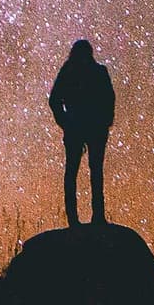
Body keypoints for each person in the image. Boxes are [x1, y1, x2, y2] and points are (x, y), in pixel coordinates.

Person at [48, 39, 115, 227]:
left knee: (76, 173)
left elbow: (54, 100)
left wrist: (66, 123)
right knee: (90, 173)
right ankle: (93, 218)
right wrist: (67, 124)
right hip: (87, 128)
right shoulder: (95, 72)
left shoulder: (70, 72)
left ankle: (80, 220)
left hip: (83, 128)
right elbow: (109, 100)